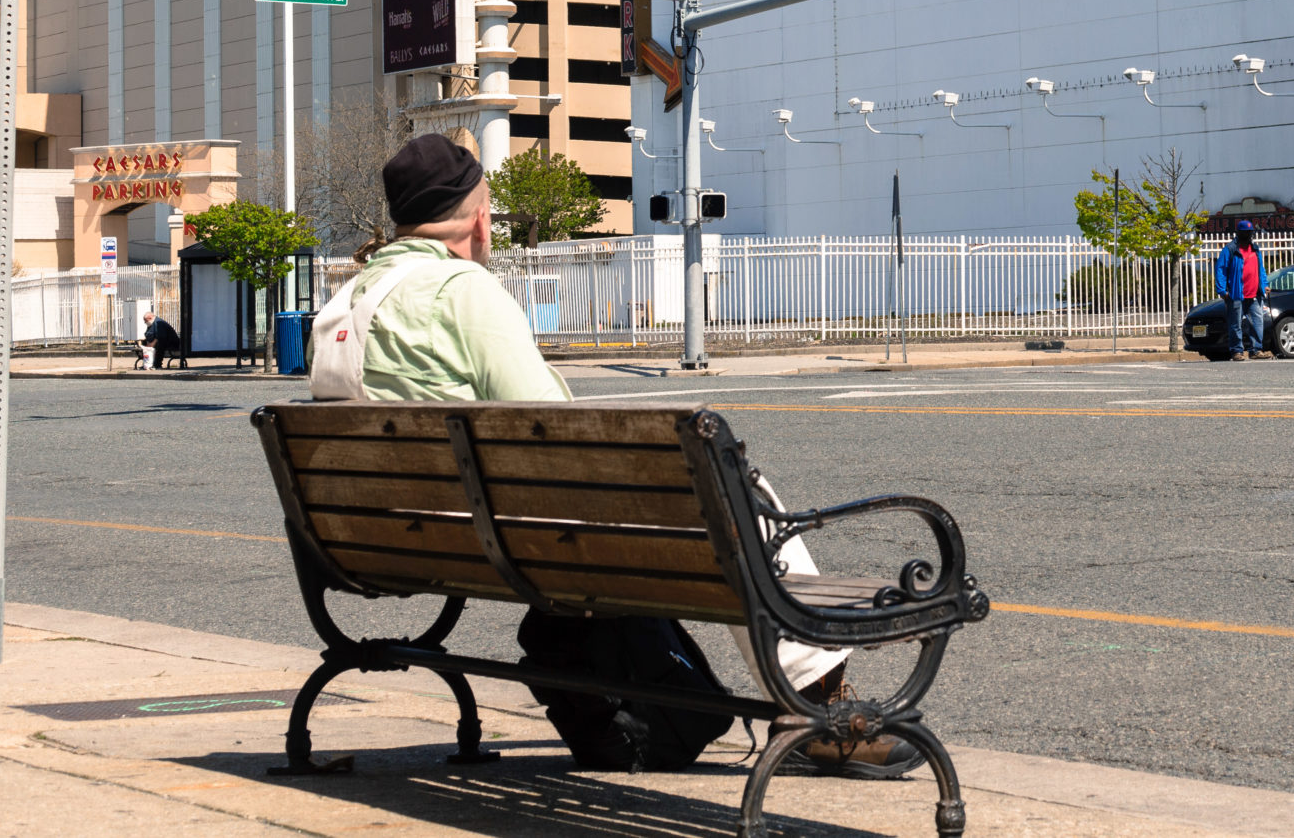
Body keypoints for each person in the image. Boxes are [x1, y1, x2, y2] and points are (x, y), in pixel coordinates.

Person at [329, 133, 913, 779]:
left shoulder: (345, 304)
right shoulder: (461, 290)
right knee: (734, 495)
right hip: (515, 541)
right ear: (477, 218)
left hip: (398, 542)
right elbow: (552, 430)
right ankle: (818, 707)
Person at [1213, 220, 1265, 359]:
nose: (1248, 235)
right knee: (1235, 325)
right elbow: (1220, 270)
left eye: (1250, 232)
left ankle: (1256, 350)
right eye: (1245, 232)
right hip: (1236, 294)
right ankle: (1237, 351)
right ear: (1238, 233)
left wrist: (1264, 285)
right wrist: (1222, 290)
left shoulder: (1255, 249)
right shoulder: (1230, 249)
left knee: (1257, 323)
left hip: (1254, 294)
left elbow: (1261, 269)